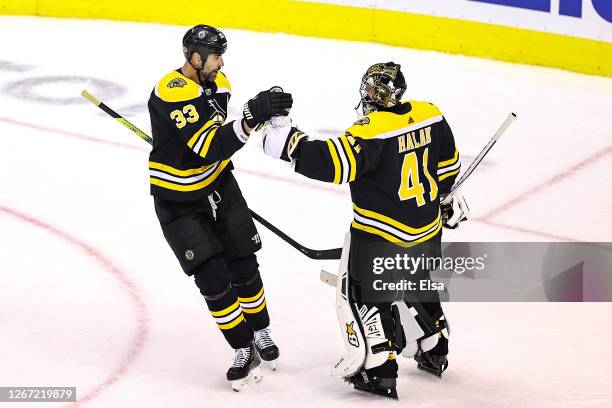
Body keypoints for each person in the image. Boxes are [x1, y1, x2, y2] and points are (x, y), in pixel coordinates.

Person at [261, 62, 469, 399]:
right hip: (427, 232)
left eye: (378, 90)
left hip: (381, 235)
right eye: (371, 88)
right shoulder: (431, 114)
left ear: (392, 93)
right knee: (417, 282)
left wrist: (283, 136)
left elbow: (329, 162)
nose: (372, 96)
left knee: (366, 296)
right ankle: (434, 348)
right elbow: (449, 170)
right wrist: (446, 199)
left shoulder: (369, 130)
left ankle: (378, 371)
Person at [147, 24, 292, 390]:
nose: (221, 62)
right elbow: (209, 146)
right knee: (212, 278)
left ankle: (261, 331)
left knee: (243, 261)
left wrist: (248, 117)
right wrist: (250, 118)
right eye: (215, 56)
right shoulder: (171, 90)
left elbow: (217, 144)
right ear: (195, 58)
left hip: (219, 186)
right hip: (178, 200)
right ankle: (243, 347)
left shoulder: (219, 82)